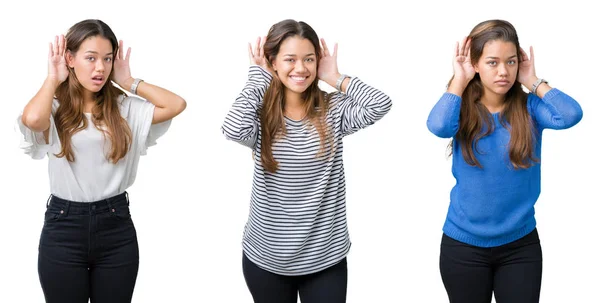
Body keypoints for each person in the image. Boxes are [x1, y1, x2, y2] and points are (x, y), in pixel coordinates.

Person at [221, 19, 392, 303]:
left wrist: (334, 77)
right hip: (267, 259)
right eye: (290, 59)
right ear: (272, 62)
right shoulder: (260, 113)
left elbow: (379, 104)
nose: (301, 68)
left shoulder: (334, 109)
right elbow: (233, 128)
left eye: (309, 59)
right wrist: (257, 78)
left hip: (325, 259)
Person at [17, 19, 186, 303]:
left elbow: (176, 105)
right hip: (63, 227)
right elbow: (33, 120)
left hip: (115, 226)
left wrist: (129, 82)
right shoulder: (53, 107)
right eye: (91, 58)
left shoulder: (124, 107)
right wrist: (52, 78)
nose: (100, 68)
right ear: (70, 59)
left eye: (107, 59)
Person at [426, 19, 583, 303]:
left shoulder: (530, 108)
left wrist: (532, 82)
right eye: (492, 62)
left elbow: (570, 115)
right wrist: (459, 81)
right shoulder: (460, 109)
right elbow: (438, 126)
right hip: (463, 247)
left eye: (511, 62)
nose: (503, 71)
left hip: (519, 247)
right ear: (475, 64)